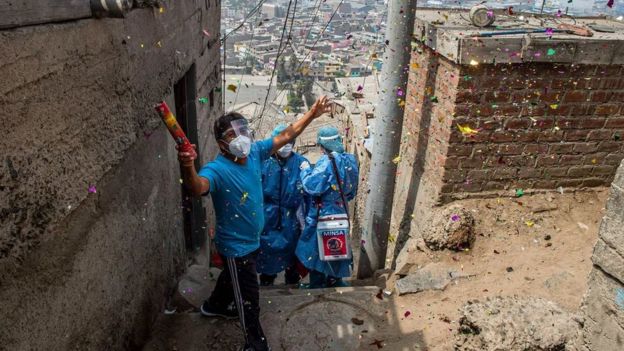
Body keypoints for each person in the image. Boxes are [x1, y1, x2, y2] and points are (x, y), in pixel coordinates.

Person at [176, 97, 332, 351]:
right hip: (237, 248)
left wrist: (312, 114)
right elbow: (197, 187)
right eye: (231, 134)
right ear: (221, 143)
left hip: (253, 239)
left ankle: (213, 306)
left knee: (231, 278)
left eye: (243, 130)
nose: (241, 138)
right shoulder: (217, 169)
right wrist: (187, 166)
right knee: (249, 299)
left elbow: (287, 134)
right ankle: (255, 344)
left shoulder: (257, 153)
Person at [295, 125, 359, 289]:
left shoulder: (326, 162)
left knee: (317, 247)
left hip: (323, 212)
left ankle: (317, 284)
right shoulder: (350, 160)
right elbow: (351, 191)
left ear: (322, 145)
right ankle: (336, 280)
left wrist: (305, 170)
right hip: (341, 210)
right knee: (338, 245)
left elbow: (312, 186)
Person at [257, 124, 310, 286]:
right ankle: (267, 283)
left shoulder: (301, 163)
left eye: (290, 141)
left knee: (292, 257)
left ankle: (291, 284)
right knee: (266, 256)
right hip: (267, 217)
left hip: (291, 219)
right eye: (282, 142)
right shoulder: (263, 162)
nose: (286, 145)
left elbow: (308, 193)